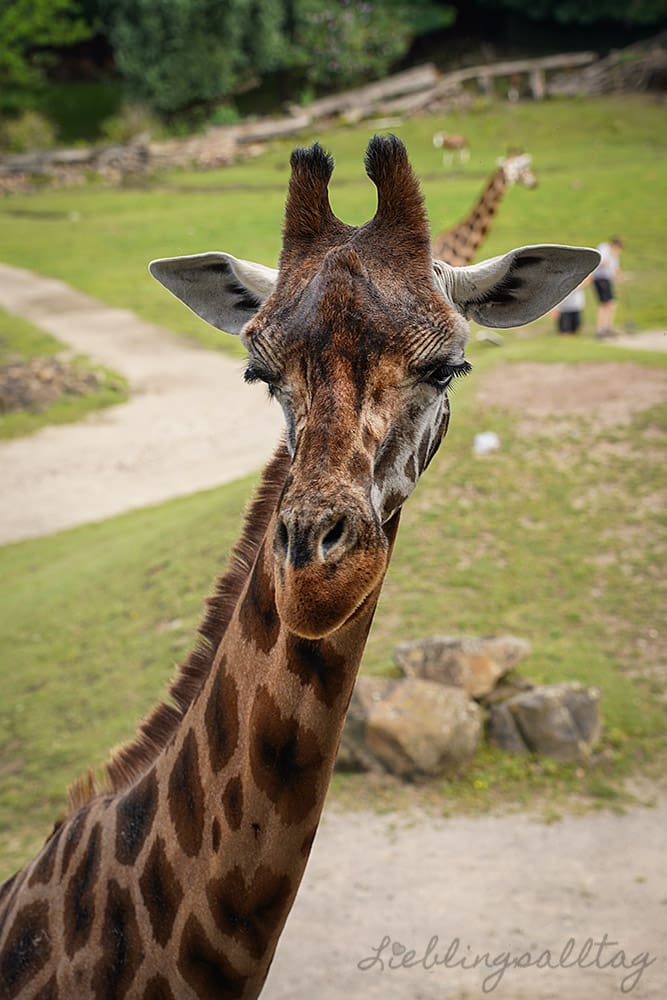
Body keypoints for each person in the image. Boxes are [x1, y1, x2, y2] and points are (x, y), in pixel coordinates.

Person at [592, 237, 623, 338]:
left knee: (611, 304)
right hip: (600, 279)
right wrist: (611, 255)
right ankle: (601, 329)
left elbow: (615, 268)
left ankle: (608, 327)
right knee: (604, 304)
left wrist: (619, 276)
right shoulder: (604, 248)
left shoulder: (615, 254)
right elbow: (601, 264)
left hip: (607, 280)